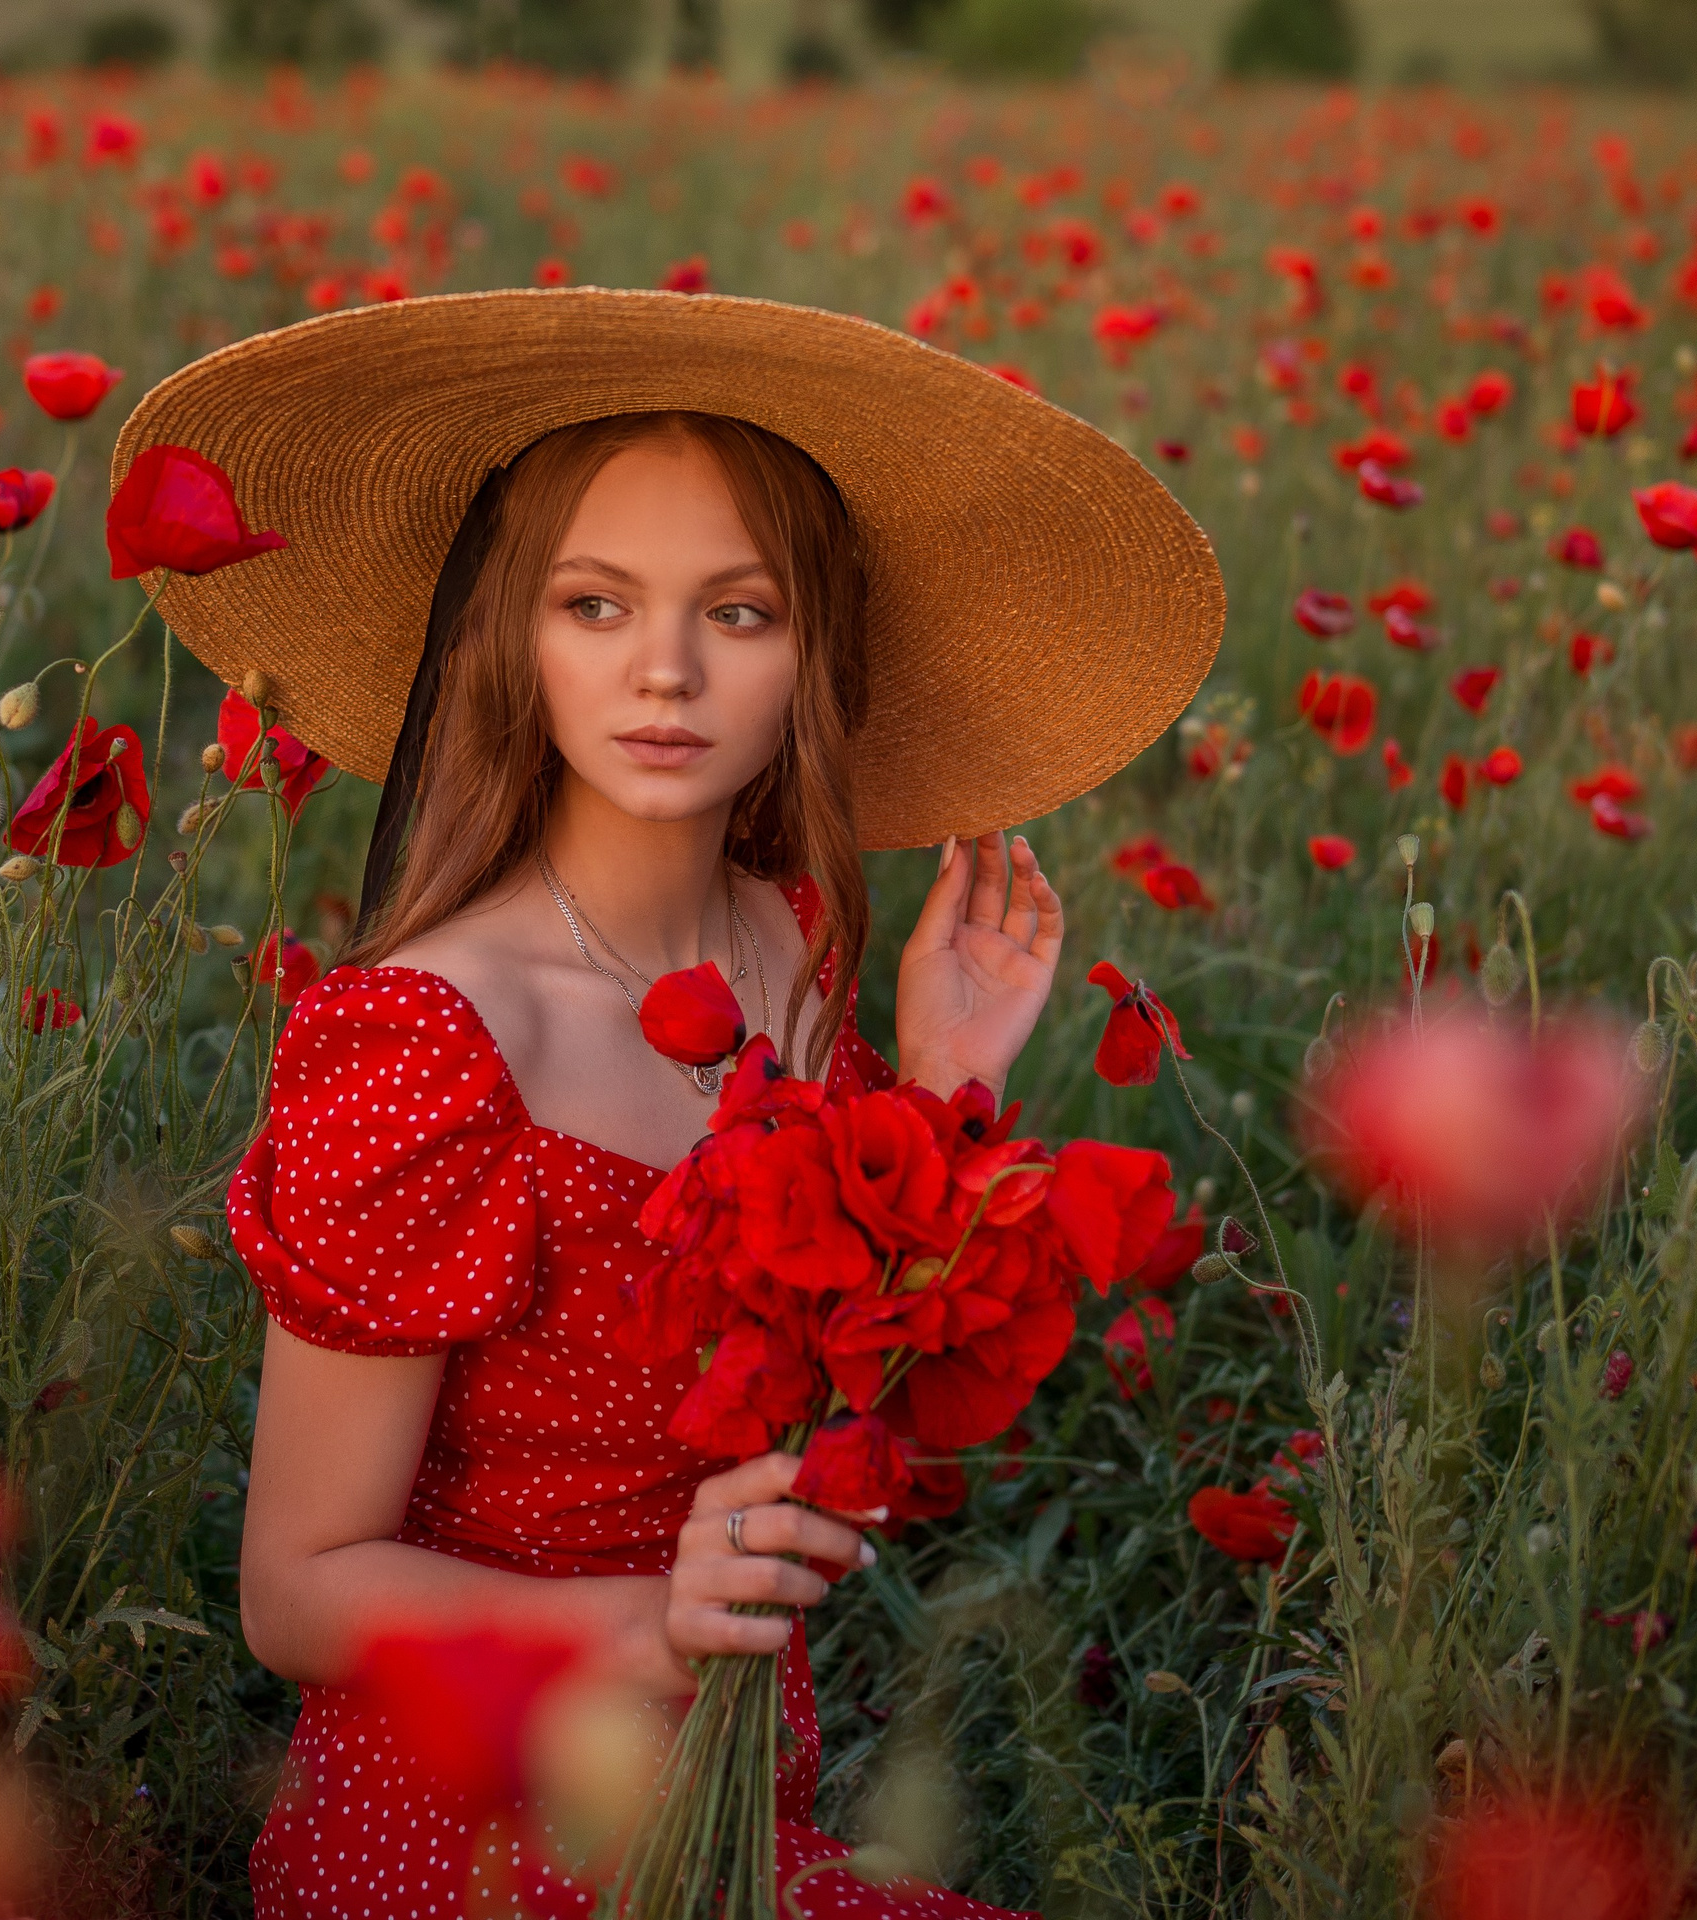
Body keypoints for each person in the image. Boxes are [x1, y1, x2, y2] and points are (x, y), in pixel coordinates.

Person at [117, 288, 1222, 1918]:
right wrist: (651, 1619)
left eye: (742, 613)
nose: (667, 670)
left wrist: (941, 1089)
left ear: (810, 655)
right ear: (511, 632)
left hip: (729, 1823)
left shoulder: (793, 950)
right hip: (459, 1831)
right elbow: (295, 1590)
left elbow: (838, 1394)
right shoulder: (426, 1039)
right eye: (595, 602)